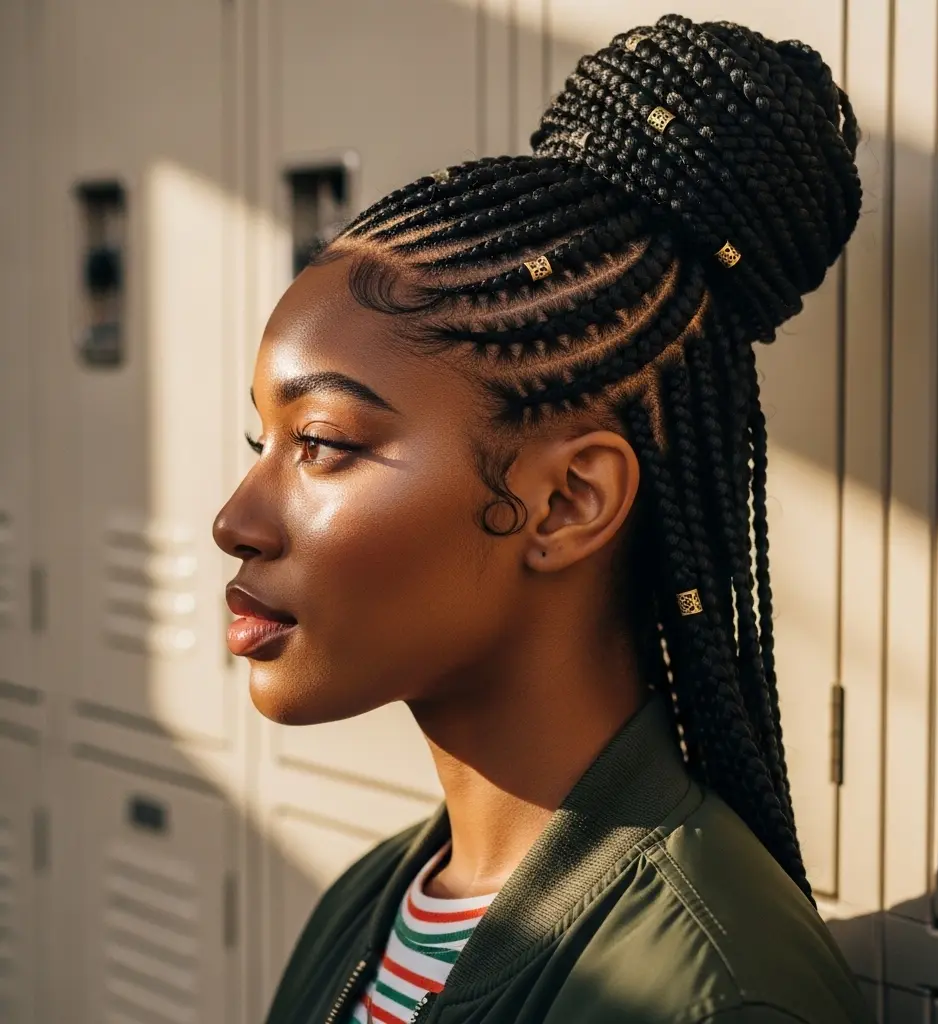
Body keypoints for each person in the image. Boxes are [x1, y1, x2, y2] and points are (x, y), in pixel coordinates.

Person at [213, 14, 875, 1024]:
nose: (236, 519)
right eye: (260, 441)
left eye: (322, 442)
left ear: (567, 503)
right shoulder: (368, 901)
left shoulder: (706, 997)